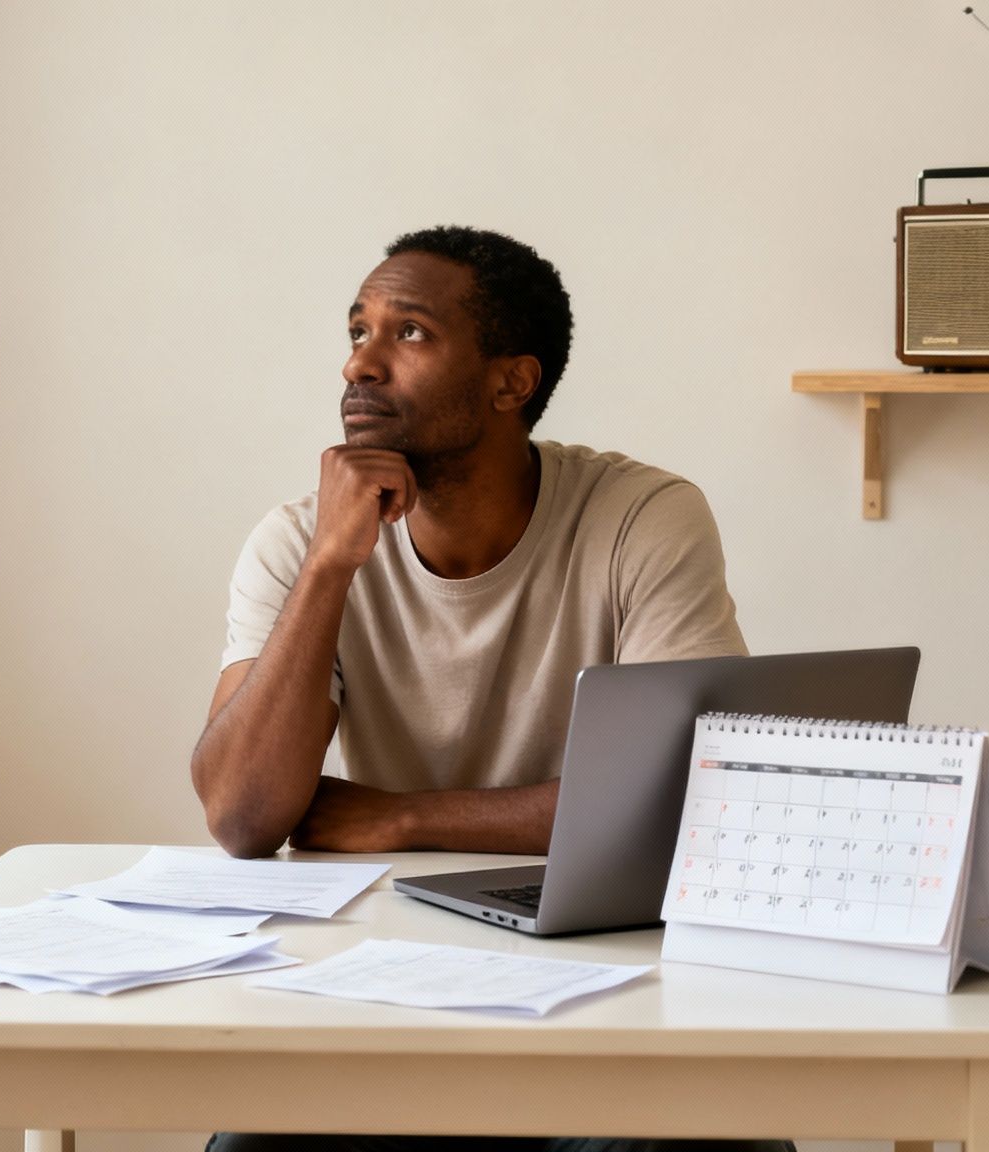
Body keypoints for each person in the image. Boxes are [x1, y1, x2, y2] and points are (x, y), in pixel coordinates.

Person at [192, 226, 787, 1152]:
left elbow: (686, 802)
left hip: (615, 981)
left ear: (513, 381)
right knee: (257, 1143)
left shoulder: (642, 518)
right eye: (358, 329)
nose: (362, 363)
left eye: (410, 334)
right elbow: (240, 815)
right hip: (387, 982)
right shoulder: (298, 543)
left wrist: (395, 817)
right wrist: (329, 568)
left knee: (674, 1139)